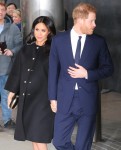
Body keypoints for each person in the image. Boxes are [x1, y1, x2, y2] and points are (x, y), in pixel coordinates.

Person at [48, 2, 114, 150]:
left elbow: (109, 69)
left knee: (83, 145)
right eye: (91, 21)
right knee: (58, 141)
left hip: (88, 100)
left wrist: (88, 74)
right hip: (65, 99)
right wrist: (52, 98)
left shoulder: (98, 42)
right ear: (80, 20)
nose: (94, 24)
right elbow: (53, 71)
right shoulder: (59, 41)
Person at [5, 16, 56, 150]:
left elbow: (58, 76)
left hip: (43, 100)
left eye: (43, 30)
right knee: (33, 136)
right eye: (36, 29)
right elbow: (17, 72)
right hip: (27, 99)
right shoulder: (26, 49)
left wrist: (54, 99)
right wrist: (11, 93)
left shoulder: (54, 51)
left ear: (49, 32)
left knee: (40, 137)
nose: (39, 33)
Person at [0, 2, 22, 129]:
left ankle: (7, 120)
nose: (1, 12)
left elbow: (20, 45)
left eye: (3, 9)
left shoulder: (12, 27)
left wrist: (12, 51)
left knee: (5, 94)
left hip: (6, 67)